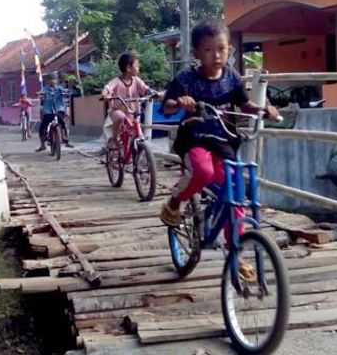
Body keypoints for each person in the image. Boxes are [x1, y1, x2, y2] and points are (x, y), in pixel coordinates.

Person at [158, 19, 280, 281]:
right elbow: (166, 106)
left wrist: (262, 110)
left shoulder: (232, 79)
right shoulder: (187, 80)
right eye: (209, 50)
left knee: (234, 191)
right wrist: (180, 102)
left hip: (223, 140)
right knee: (201, 171)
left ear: (229, 50)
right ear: (196, 54)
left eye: (222, 49)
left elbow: (244, 105)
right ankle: (175, 201)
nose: (217, 56)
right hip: (195, 138)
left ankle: (235, 251)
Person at [101, 52, 156, 143]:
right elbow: (107, 88)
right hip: (118, 111)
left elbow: (145, 89)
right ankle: (114, 139)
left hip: (133, 113)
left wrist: (152, 93)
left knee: (138, 132)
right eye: (137, 66)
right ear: (128, 68)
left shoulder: (137, 81)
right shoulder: (116, 82)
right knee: (120, 116)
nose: (139, 68)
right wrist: (105, 95)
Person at [36, 72, 73, 152]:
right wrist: (40, 94)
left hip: (59, 109)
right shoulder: (45, 88)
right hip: (48, 110)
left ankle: (65, 139)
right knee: (42, 126)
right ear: (48, 81)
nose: (52, 81)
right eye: (51, 79)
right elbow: (41, 93)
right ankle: (42, 145)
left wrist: (67, 92)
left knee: (63, 123)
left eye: (54, 79)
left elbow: (66, 91)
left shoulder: (60, 88)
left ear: (57, 80)